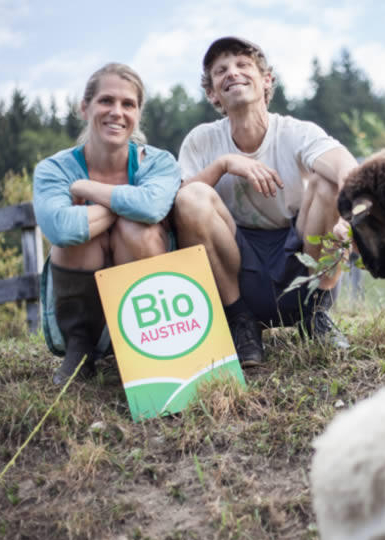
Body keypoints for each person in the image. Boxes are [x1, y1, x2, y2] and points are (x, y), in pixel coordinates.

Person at [172, 36, 359, 367]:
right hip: (236, 265)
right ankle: (241, 323)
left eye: (243, 65)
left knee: (329, 182)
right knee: (192, 197)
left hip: (300, 259)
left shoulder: (295, 131)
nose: (233, 73)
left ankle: (315, 313)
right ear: (213, 93)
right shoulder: (201, 141)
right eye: (221, 70)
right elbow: (175, 206)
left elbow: (343, 164)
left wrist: (352, 213)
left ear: (266, 80)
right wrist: (224, 164)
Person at [33, 63, 181, 385]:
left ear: (138, 113)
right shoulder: (53, 169)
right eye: (106, 101)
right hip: (86, 279)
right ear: (84, 108)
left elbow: (154, 207)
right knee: (79, 232)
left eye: (128, 104)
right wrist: (126, 203)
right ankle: (81, 347)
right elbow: (59, 228)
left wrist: (88, 191)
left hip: (146, 290)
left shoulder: (158, 161)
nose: (117, 112)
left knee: (135, 228)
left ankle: (146, 346)